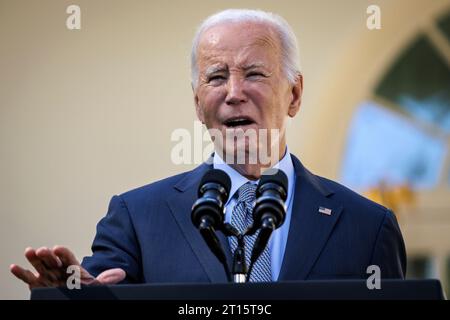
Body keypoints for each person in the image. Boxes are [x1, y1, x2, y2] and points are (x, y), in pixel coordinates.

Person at [10, 9, 406, 289]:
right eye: (216, 77)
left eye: (254, 74)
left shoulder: (367, 227)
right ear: (198, 105)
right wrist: (69, 295)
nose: (234, 93)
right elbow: (97, 291)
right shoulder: (137, 218)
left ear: (295, 94)